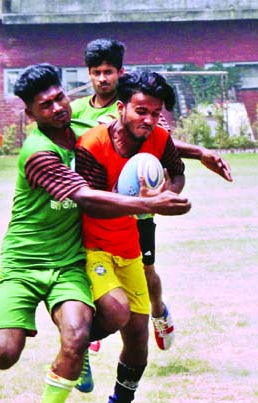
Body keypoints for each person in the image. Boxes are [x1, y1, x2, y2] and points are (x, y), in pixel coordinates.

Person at [0, 64, 191, 403]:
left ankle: (75, 363)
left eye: (60, 98)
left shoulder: (83, 127)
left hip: (70, 260)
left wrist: (203, 154)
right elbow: (83, 197)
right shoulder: (37, 153)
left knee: (82, 333)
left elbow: (139, 132)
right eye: (45, 105)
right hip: (25, 260)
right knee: (3, 355)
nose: (57, 108)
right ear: (30, 113)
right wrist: (146, 203)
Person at [71, 38, 233, 353]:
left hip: (139, 212)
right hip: (97, 209)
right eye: (96, 72)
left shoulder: (141, 106)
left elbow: (164, 143)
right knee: (86, 266)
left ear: (121, 73)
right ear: (88, 74)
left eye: (109, 72)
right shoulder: (76, 113)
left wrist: (199, 152)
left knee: (145, 271)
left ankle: (157, 311)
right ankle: (87, 337)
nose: (103, 79)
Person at [75, 70, 185, 403]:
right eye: (142, 111)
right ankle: (75, 344)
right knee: (116, 311)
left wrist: (169, 193)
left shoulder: (159, 139)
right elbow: (90, 204)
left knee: (138, 341)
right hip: (92, 247)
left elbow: (177, 173)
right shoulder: (93, 144)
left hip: (129, 249)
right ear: (121, 108)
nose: (150, 120)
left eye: (156, 113)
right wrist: (144, 203)